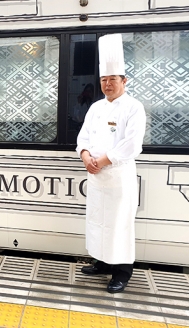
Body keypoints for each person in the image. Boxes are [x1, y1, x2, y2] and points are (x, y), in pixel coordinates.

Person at [76, 34, 146, 294]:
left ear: (124, 81)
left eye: (112, 79)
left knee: (119, 224)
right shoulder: (95, 108)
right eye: (104, 79)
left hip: (118, 177)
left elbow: (132, 144)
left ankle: (122, 273)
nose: (107, 84)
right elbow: (82, 137)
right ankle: (102, 263)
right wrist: (85, 156)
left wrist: (103, 160)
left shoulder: (133, 108)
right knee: (98, 221)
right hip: (96, 177)